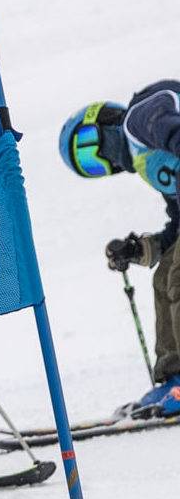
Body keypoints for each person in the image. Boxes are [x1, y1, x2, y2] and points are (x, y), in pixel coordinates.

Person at [57, 79, 180, 419]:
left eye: (88, 148)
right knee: (166, 272)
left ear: (104, 121)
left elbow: (170, 124)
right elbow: (177, 229)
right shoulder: (148, 165)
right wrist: (139, 249)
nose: (103, 161)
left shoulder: (140, 117)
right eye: (91, 167)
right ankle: (173, 380)